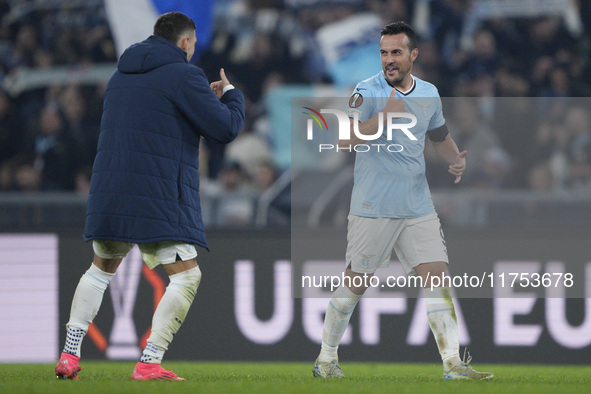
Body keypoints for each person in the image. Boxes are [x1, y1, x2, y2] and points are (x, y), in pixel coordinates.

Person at [55, 12, 245, 381]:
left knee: (100, 270)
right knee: (187, 278)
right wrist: (232, 96)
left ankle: (69, 354)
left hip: (110, 190)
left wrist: (195, 102)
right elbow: (224, 129)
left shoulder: (119, 75)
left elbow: (156, 119)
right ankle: (150, 359)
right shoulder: (185, 75)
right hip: (157, 194)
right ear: (186, 43)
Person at [312, 22, 493, 380]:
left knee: (437, 277)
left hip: (417, 206)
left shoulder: (429, 93)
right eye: (383, 53)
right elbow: (344, 140)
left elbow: (439, 135)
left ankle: (453, 364)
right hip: (373, 207)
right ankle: (326, 360)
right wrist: (383, 117)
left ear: (413, 55)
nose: (388, 60)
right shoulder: (366, 91)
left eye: (396, 52)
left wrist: (455, 158)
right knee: (355, 283)